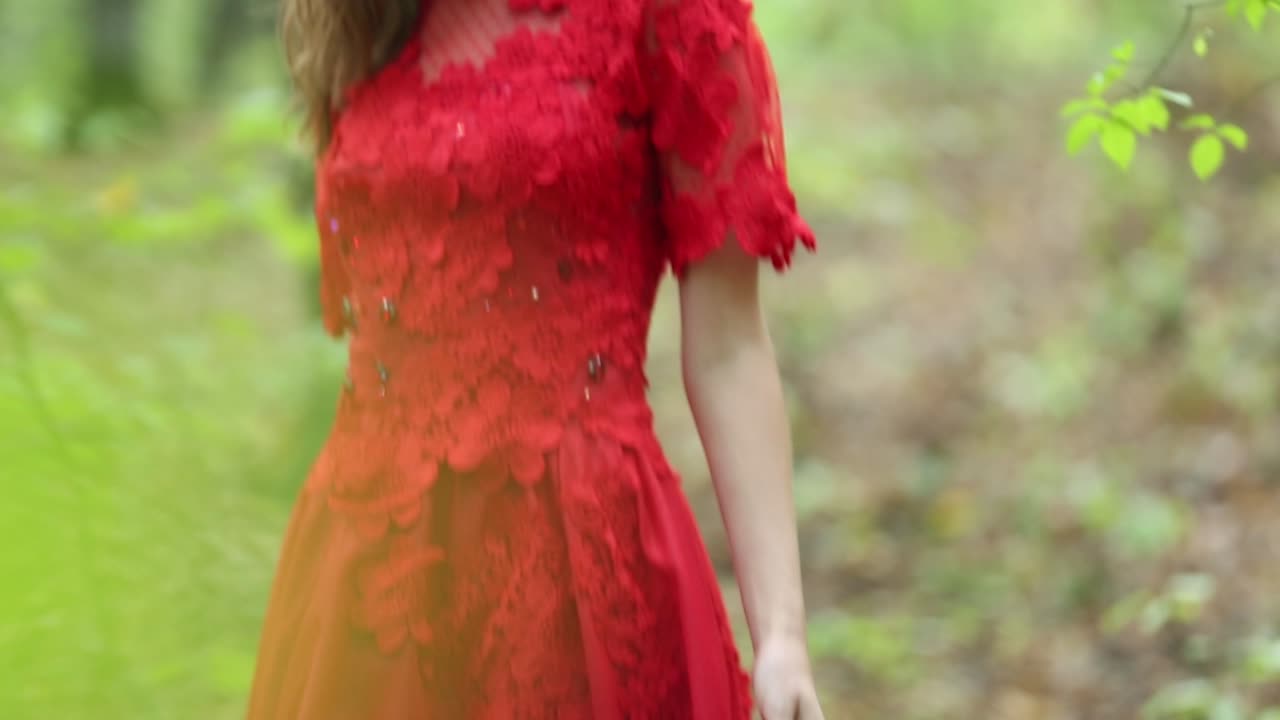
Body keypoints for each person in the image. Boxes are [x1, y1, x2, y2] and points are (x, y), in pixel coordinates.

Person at [246, 0, 823, 717]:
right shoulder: (359, 18)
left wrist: (781, 634)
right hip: (371, 561)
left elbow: (730, 349)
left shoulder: (670, 15)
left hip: (576, 572)